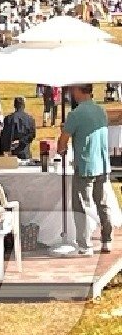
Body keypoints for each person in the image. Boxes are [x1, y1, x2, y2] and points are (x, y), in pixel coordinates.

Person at [57, 84, 113, 255]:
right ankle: (106, 240)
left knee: (81, 206)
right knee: (102, 204)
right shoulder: (101, 110)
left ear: (79, 91)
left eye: (73, 90)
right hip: (102, 164)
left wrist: (61, 147)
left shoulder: (76, 114)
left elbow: (62, 142)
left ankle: (84, 244)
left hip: (85, 165)